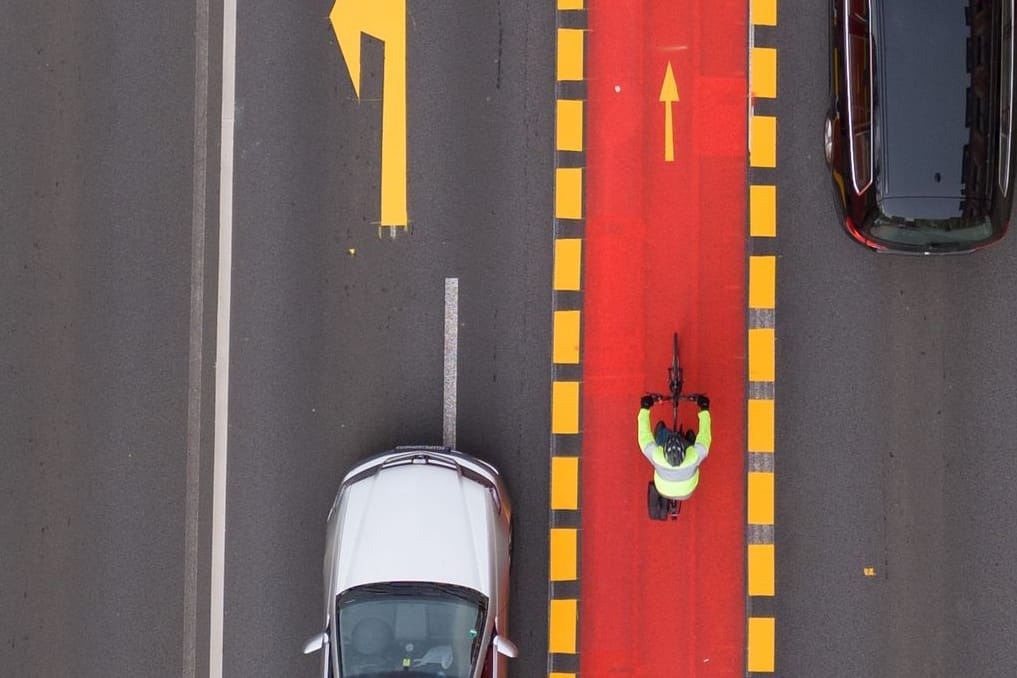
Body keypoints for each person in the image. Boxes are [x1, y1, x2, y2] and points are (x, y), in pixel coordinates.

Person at [638, 393, 712, 500]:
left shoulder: (657, 457)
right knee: (691, 436)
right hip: (686, 492)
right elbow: (705, 436)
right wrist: (704, 408)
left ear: (663, 452)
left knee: (661, 429)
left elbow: (643, 437)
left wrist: (645, 408)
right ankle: (686, 439)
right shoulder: (693, 457)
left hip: (663, 490)